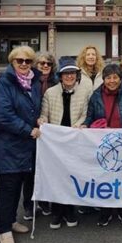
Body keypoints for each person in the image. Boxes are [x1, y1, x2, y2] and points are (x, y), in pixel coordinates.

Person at [0, 45, 42, 243]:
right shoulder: (4, 82)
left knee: (19, 183)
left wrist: (39, 118)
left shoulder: (33, 82)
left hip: (26, 146)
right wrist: (28, 129)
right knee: (7, 187)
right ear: (12, 62)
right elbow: (4, 115)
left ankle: (11, 221)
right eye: (19, 60)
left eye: (27, 61)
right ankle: (4, 229)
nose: (23, 64)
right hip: (8, 144)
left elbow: (33, 107)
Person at [84, 63, 122, 227]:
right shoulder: (95, 96)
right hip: (104, 143)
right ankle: (105, 210)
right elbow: (90, 116)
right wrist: (85, 126)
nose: (112, 81)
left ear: (120, 79)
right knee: (104, 177)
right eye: (108, 78)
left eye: (115, 77)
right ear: (104, 79)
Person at [38, 64, 89, 228]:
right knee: (56, 176)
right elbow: (44, 113)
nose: (69, 77)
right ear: (60, 76)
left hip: (74, 139)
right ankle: (57, 211)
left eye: (72, 73)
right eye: (65, 74)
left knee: (72, 176)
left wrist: (79, 125)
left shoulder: (84, 92)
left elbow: (85, 115)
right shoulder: (50, 92)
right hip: (55, 142)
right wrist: (42, 121)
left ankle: (70, 210)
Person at [25, 51, 58, 219]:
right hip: (32, 130)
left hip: (50, 132)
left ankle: (45, 201)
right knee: (30, 169)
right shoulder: (29, 82)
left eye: (48, 64)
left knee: (47, 169)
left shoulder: (56, 82)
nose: (45, 66)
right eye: (41, 63)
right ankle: (29, 204)